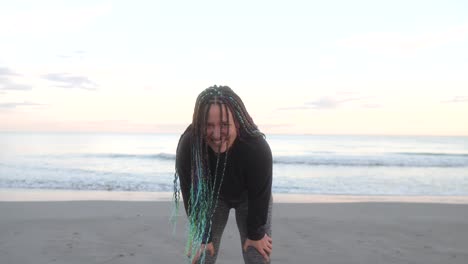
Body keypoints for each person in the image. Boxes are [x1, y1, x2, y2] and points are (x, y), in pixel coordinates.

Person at [173, 85, 273, 264]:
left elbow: (260, 195)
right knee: (203, 255)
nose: (217, 134)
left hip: (249, 198)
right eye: (209, 126)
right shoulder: (189, 145)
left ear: (237, 122)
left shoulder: (257, 148)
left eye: (224, 125)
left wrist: (256, 234)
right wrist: (203, 237)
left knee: (256, 254)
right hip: (211, 195)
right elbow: (190, 193)